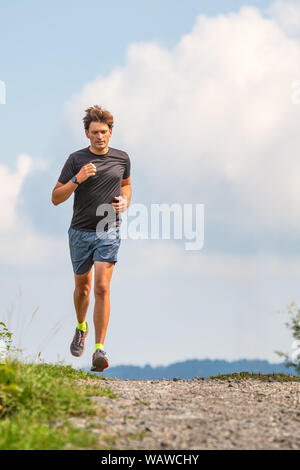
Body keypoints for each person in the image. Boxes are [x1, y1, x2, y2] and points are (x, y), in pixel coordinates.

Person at [51, 105, 132, 372]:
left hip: (109, 228)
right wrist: (78, 178)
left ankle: (99, 349)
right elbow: (56, 198)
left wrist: (125, 201)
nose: (100, 137)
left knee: (101, 287)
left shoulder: (122, 158)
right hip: (80, 232)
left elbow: (127, 185)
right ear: (87, 133)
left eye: (104, 132)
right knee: (83, 289)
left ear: (111, 133)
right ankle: (81, 326)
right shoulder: (76, 160)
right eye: (95, 132)